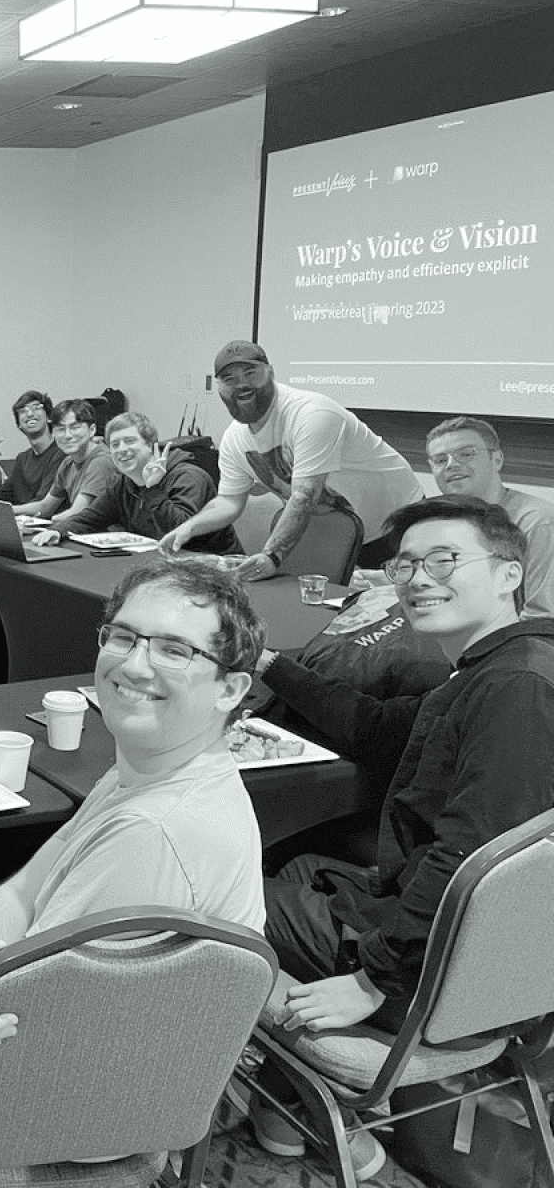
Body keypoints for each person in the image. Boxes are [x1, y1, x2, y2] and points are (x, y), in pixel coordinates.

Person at [0, 559, 266, 1121]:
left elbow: (21, 1010)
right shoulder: (156, 769)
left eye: (174, 650)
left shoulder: (151, 832)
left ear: (230, 688)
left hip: (64, 1099)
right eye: (124, 637)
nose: (134, 665)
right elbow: (22, 891)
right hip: (99, 1059)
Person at [247, 494, 554, 1177]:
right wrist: (270, 664)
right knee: (299, 866)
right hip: (493, 956)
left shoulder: (515, 690)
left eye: (444, 558)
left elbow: (475, 861)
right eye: (407, 563)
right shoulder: (499, 666)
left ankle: (313, 1107)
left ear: (509, 574)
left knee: (213, 891)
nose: (417, 576)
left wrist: (374, 978)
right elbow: (380, 726)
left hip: (453, 980)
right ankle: (291, 1101)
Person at [160, 340, 421, 578]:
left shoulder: (312, 414)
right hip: (335, 531)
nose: (241, 384)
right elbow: (230, 501)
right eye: (229, 378)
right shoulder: (234, 439)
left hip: (394, 525)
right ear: (219, 387)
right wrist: (189, 528)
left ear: (270, 372)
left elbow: (303, 496)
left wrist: (272, 555)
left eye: (250, 373)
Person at [35, 412, 241, 554]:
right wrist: (58, 531)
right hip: (162, 565)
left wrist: (152, 489)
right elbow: (90, 518)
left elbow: (180, 530)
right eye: (115, 444)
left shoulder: (188, 476)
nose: (121, 449)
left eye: (130, 441)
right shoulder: (124, 483)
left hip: (209, 564)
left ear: (150, 446)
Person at [427, 415, 554, 616]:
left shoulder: (537, 522)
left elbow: (542, 618)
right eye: (440, 460)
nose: (451, 465)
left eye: (466, 454)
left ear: (497, 460)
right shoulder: (441, 521)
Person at [14, 399, 117, 524]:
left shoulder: (102, 461)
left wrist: (46, 522)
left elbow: (77, 513)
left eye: (75, 427)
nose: (67, 435)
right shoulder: (68, 462)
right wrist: (9, 511)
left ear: (92, 430)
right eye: (61, 429)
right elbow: (46, 507)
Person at [0, 391, 65, 506]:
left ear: (49, 417)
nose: (30, 414)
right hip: (22, 519)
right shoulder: (23, 459)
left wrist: (12, 512)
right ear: (19, 425)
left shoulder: (61, 454)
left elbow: (42, 504)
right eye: (23, 411)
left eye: (36, 408)